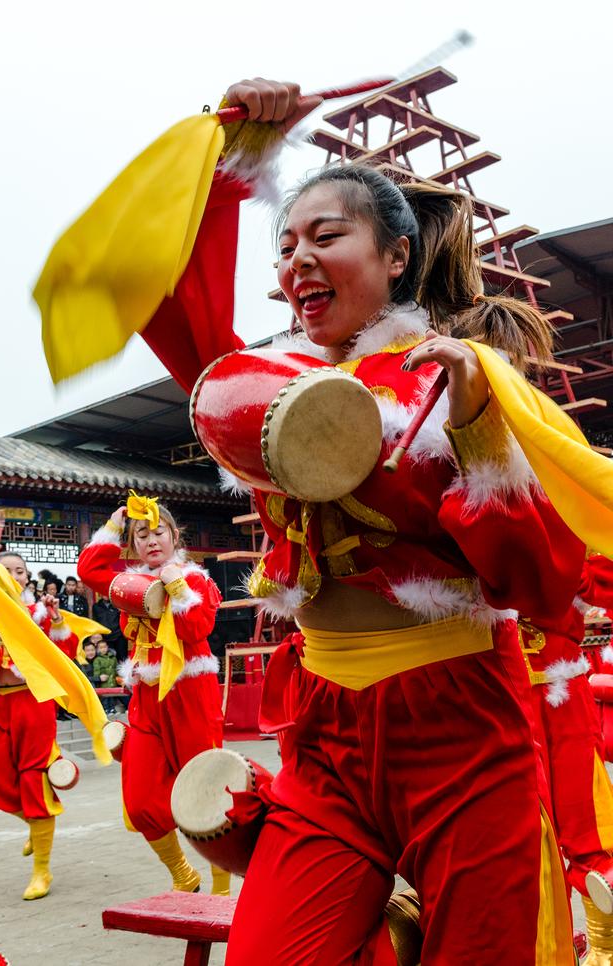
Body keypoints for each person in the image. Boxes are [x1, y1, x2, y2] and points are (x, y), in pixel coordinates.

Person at [165, 79, 589, 964]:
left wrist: (476, 432)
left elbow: (544, 589)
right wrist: (237, 156)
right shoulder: (263, 385)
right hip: (325, 735)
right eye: (285, 246)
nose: (296, 262)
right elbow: (171, 290)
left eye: (327, 237)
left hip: (463, 730)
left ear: (396, 256)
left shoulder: (461, 378)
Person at [78, 495, 231, 896]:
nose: (150, 540)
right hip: (146, 699)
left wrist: (175, 585)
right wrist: (112, 528)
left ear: (174, 535)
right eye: (140, 535)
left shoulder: (196, 579)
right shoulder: (129, 582)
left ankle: (222, 883)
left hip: (189, 694)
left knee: (206, 789)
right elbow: (89, 569)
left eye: (158, 531)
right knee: (141, 797)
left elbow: (197, 628)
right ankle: (182, 873)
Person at [521, 554, 613, 963]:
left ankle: (605, 949)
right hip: (492, 685)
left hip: (560, 682)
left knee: (590, 826)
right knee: (521, 837)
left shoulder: (566, 500)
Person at [0, 548, 79, 900]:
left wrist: (60, 621)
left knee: (34, 780)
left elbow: (64, 655)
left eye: (20, 571)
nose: (14, 576)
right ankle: (36, 827)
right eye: (5, 570)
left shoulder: (38, 613)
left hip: (34, 702)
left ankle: (42, 870)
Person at [92, 593, 128, 662]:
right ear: (100, 594)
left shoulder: (117, 605)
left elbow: (123, 619)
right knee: (108, 659)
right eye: (103, 592)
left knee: (122, 658)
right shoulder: (96, 606)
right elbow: (95, 621)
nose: (105, 595)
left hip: (119, 636)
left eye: (107, 592)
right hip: (105, 637)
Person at [92, 636, 118, 714]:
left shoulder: (113, 658)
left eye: (104, 647)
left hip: (112, 681)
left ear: (107, 647)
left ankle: (112, 709)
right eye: (101, 648)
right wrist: (99, 677)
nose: (103, 649)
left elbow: (116, 668)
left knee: (112, 697)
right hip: (104, 683)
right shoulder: (97, 659)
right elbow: (96, 671)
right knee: (105, 697)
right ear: (97, 649)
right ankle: (106, 709)